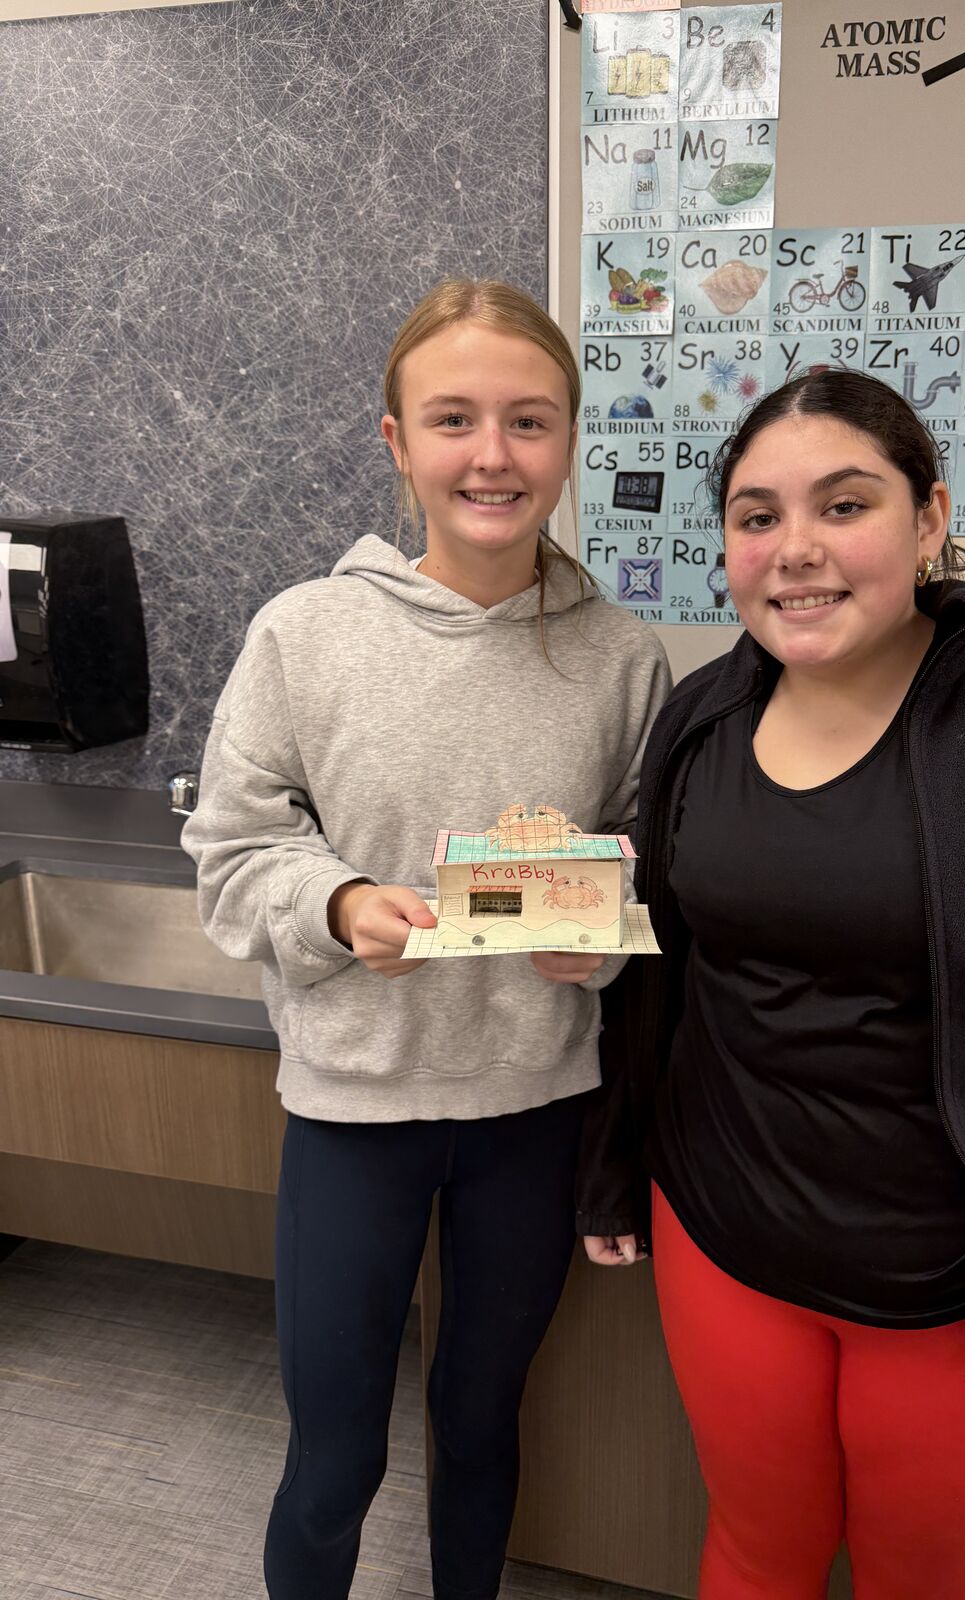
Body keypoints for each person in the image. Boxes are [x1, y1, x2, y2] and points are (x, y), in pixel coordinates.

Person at [576, 368, 965, 1600]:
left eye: (845, 505)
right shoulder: (701, 718)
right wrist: (614, 1162)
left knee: (921, 1574)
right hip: (724, 1239)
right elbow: (658, 974)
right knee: (755, 1549)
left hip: (957, 1289)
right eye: (757, 516)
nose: (795, 548)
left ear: (929, 521)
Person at [182, 278, 670, 1600]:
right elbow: (233, 847)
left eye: (529, 420)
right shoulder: (304, 635)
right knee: (334, 1454)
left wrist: (602, 935)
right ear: (398, 442)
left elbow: (650, 861)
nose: (492, 454)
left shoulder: (623, 657)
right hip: (355, 1110)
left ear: (568, 441)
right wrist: (339, 905)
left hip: (535, 1110)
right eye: (454, 419)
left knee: (482, 1423)